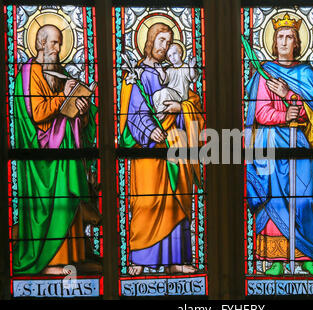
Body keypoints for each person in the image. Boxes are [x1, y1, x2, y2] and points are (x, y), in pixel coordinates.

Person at [245, 14, 313, 276]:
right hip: (270, 146)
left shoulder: (306, 73)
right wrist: (284, 115)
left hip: (301, 146)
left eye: (289, 37)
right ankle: (276, 259)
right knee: (273, 202)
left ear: (297, 43)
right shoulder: (265, 73)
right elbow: (259, 114)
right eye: (280, 37)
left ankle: (305, 256)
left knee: (305, 199)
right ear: (273, 41)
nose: (284, 41)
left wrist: (288, 95)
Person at [12, 24, 98, 275]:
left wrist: (81, 111)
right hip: (41, 155)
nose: (58, 49)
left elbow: (71, 117)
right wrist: (66, 98)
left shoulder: (58, 72)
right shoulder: (29, 72)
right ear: (39, 43)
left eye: (60, 43)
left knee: (68, 199)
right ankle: (51, 262)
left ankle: (73, 257)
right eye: (53, 43)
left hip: (61, 148)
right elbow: (37, 113)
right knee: (56, 200)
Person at [119, 22, 204, 275]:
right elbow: (131, 113)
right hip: (149, 149)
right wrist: (148, 130)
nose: (164, 46)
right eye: (160, 40)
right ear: (149, 41)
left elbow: (193, 101)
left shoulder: (173, 73)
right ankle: (141, 258)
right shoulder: (137, 74)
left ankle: (177, 260)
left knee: (177, 202)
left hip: (175, 145)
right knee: (147, 203)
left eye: (168, 42)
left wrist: (182, 108)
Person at [153, 43, 198, 120]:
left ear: (180, 53)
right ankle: (162, 110)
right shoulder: (169, 70)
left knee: (165, 91)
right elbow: (164, 80)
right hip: (170, 94)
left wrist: (191, 67)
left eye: (174, 54)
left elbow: (192, 77)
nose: (172, 57)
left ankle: (161, 113)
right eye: (170, 56)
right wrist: (160, 71)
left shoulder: (186, 67)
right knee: (156, 95)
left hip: (180, 96)